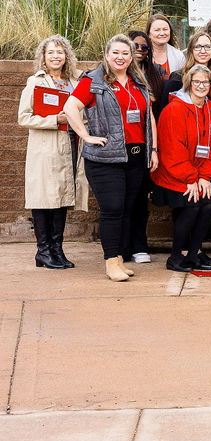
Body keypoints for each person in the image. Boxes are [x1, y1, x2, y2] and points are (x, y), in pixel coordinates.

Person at [64, 34, 157, 282]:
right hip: (105, 158)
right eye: (115, 52)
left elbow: (148, 118)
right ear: (107, 55)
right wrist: (86, 136)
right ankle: (110, 262)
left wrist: (153, 149)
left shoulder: (137, 82)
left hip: (135, 157)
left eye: (125, 53)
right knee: (112, 209)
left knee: (125, 209)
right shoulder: (94, 81)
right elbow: (70, 108)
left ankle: (118, 260)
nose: (120, 57)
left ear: (131, 57)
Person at [18, 35, 88, 270]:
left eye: (60, 52)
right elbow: (24, 117)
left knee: (62, 199)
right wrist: (53, 119)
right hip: (46, 148)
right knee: (44, 198)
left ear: (67, 55)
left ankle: (57, 250)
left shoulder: (75, 81)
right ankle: (43, 251)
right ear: (43, 57)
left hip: (70, 144)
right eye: (51, 52)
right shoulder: (36, 82)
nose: (56, 56)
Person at [150, 64, 211, 272]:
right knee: (193, 205)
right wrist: (191, 178)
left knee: (207, 205)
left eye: (205, 82)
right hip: (174, 174)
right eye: (197, 82)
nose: (201, 86)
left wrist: (205, 176)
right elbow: (173, 150)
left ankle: (192, 254)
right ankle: (175, 257)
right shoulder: (174, 109)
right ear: (189, 84)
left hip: (200, 174)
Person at [127, 30, 163, 264]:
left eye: (144, 47)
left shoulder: (155, 75)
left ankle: (139, 244)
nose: (140, 50)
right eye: (135, 46)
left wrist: (155, 148)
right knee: (121, 199)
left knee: (140, 198)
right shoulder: (115, 74)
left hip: (146, 142)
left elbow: (153, 112)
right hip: (122, 144)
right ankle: (122, 245)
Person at [161, 31, 211, 113]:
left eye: (207, 47)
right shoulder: (178, 78)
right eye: (198, 47)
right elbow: (166, 110)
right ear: (191, 50)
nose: (203, 51)